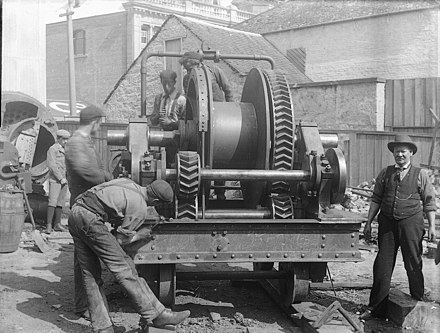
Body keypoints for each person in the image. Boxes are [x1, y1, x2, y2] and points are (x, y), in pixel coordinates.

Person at [68, 178, 190, 332]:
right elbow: (120, 241)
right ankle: (157, 314)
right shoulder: (139, 207)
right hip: (90, 219)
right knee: (125, 267)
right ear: (157, 201)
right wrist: (141, 234)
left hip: (75, 212)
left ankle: (103, 328)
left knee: (90, 273)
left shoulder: (128, 183)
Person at [360, 134, 437, 320]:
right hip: (387, 223)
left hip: (412, 223)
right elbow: (376, 198)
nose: (399, 155)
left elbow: (429, 203)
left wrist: (432, 227)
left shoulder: (421, 175)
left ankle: (418, 303)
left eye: (403, 151)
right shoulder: (385, 173)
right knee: (382, 264)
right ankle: (376, 309)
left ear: (411, 153)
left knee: (413, 262)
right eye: (396, 152)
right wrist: (369, 222)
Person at [65, 105, 113, 319]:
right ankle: (85, 307)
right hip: (83, 209)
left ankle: (83, 304)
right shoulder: (76, 142)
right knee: (85, 261)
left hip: (89, 206)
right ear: (94, 122)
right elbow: (88, 173)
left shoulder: (84, 142)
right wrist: (108, 177)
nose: (100, 127)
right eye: (100, 123)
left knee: (85, 259)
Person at [179, 51, 234, 200]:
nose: (189, 72)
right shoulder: (186, 79)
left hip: (221, 120)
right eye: (187, 69)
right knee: (203, 155)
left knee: (220, 156)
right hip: (201, 123)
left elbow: (228, 90)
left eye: (191, 68)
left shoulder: (215, 71)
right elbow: (191, 102)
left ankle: (220, 192)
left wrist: (230, 112)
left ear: (199, 64)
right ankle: (201, 193)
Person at [149, 69, 186, 166]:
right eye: (164, 84)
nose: (166, 87)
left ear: (174, 82)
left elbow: (186, 124)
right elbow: (153, 121)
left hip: (177, 140)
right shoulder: (159, 98)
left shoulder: (181, 100)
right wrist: (157, 116)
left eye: (169, 84)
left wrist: (171, 123)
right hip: (161, 139)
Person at [45, 129, 71, 233]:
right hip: (56, 180)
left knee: (60, 202)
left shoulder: (66, 150)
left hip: (65, 180)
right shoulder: (53, 149)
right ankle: (48, 225)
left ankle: (57, 224)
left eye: (67, 139)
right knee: (52, 202)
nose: (65, 141)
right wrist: (60, 178)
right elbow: (52, 165)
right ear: (58, 139)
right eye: (64, 139)